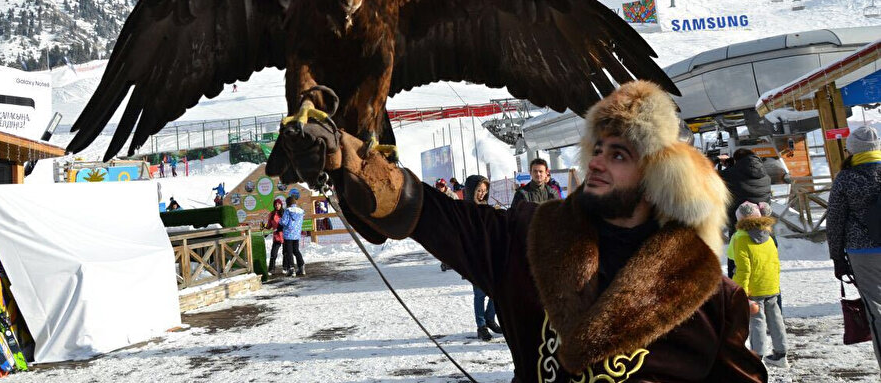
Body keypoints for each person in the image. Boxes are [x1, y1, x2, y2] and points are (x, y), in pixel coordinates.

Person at [290, 80, 767, 381]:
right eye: (597, 148)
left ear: (653, 174)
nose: (597, 161)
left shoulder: (709, 295)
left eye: (618, 154)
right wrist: (349, 158)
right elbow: (434, 216)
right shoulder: (527, 238)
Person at [827, 125, 881, 368]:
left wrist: (838, 258)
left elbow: (835, 220)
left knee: (876, 311)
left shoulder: (846, 178)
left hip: (863, 253)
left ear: (852, 150)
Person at [729, 201, 788, 368]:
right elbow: (774, 262)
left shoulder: (741, 239)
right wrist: (775, 285)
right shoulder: (768, 237)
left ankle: (757, 356)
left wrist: (741, 291)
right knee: (776, 320)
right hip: (771, 286)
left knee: (757, 322)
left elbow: (743, 268)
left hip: (754, 289)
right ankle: (781, 353)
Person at [721, 148, 772, 277]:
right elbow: (742, 176)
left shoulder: (730, 174)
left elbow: (714, 177)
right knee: (765, 271)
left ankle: (740, 297)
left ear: (736, 160)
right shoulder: (765, 175)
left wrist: (727, 165)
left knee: (738, 271)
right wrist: (733, 166)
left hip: (740, 230)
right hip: (763, 229)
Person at [463, 174, 501, 341]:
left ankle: (489, 318)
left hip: (491, 256)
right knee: (480, 294)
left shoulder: (487, 208)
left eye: (484, 191)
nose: (481, 194)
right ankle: (481, 326)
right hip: (476, 259)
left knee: (496, 291)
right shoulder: (465, 210)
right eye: (478, 190)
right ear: (471, 190)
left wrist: (497, 216)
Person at [281, 196, 306, 276]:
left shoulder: (287, 211)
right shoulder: (301, 211)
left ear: (288, 203)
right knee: (296, 250)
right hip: (296, 234)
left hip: (288, 234)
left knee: (289, 252)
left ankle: (292, 269)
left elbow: (284, 222)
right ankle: (301, 267)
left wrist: (279, 221)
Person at [266, 197, 285, 273]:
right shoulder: (272, 214)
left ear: (281, 204)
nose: (277, 205)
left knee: (286, 253)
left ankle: (285, 268)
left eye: (278, 204)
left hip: (285, 235)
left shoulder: (284, 212)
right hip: (276, 236)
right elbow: (269, 225)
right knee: (273, 253)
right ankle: (271, 269)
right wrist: (265, 226)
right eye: (276, 204)